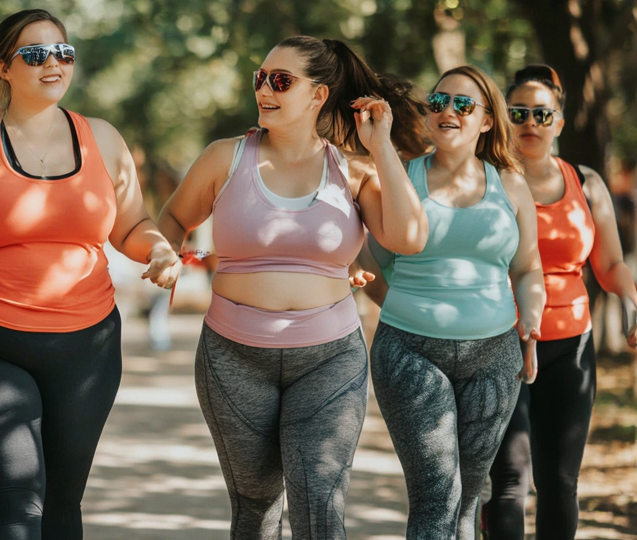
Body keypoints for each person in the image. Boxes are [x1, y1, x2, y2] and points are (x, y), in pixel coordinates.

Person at [0, 9, 180, 540]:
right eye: (34, 53)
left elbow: (132, 223)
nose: (53, 63)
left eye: (62, 53)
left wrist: (159, 250)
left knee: (62, 506)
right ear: (4, 67)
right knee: (15, 500)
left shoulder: (104, 138)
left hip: (87, 347)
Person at [157, 36, 431, 539]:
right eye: (260, 77)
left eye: (281, 80)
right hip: (232, 356)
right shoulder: (225, 157)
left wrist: (382, 146)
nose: (264, 88)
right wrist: (164, 251)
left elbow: (410, 237)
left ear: (318, 95)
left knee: (320, 509)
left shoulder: (353, 170)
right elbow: (173, 216)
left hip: (329, 359)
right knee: (256, 509)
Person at [364, 65, 545, 540]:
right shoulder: (402, 178)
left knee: (468, 496)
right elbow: (369, 265)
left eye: (463, 104)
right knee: (435, 494)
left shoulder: (511, 183)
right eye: (438, 101)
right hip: (410, 351)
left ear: (487, 120)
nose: (447, 111)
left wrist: (529, 316)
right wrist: (410, 306)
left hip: (495, 355)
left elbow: (527, 268)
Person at [481, 64, 637, 540]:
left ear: (559, 123)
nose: (531, 122)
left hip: (571, 347)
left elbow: (610, 266)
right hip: (500, 342)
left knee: (560, 483)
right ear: (504, 120)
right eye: (519, 113)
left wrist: (632, 300)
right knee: (509, 481)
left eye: (542, 114)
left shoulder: (586, 183)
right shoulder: (484, 181)